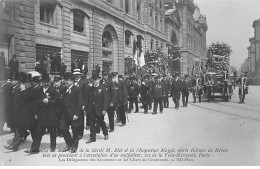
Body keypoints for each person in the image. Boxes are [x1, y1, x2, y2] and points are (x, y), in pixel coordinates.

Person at [4, 73, 39, 152]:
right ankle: (14, 146)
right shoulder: (22, 89)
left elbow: (26, 97)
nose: (23, 84)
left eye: (25, 82)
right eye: (23, 82)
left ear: (29, 83)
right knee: (20, 130)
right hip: (23, 114)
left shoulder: (33, 89)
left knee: (34, 132)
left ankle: (35, 147)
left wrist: (23, 90)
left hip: (30, 115)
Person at [26, 74, 59, 153]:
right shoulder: (39, 90)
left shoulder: (53, 90)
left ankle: (53, 146)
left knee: (52, 132)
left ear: (50, 82)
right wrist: (36, 113)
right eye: (44, 82)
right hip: (41, 115)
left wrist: (49, 101)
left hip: (51, 114)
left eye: (47, 82)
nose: (46, 84)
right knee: (38, 132)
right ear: (42, 82)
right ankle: (34, 148)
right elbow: (36, 102)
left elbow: (58, 102)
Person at [60, 72, 82, 153]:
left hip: (73, 114)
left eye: (68, 80)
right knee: (63, 128)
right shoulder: (64, 89)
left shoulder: (76, 89)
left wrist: (76, 114)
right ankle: (69, 143)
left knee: (75, 130)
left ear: (72, 81)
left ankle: (74, 146)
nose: (66, 82)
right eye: (65, 80)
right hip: (65, 114)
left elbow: (80, 103)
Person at [86, 72, 109, 143]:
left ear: (99, 80)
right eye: (93, 80)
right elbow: (89, 99)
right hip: (92, 109)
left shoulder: (102, 88)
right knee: (91, 123)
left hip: (100, 109)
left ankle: (105, 134)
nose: (94, 81)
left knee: (101, 122)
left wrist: (104, 109)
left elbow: (106, 100)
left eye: (96, 80)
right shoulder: (91, 89)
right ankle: (92, 137)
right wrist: (87, 109)